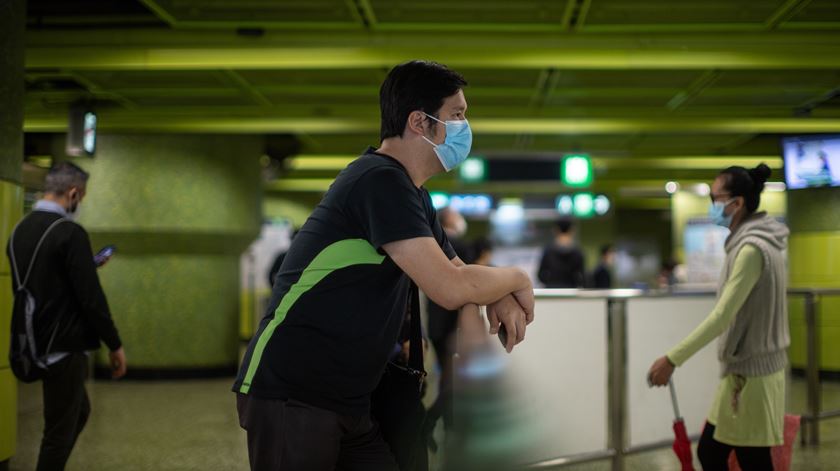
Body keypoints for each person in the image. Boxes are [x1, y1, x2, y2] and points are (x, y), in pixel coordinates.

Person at [233, 60, 535, 471]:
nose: (465, 127)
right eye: (457, 115)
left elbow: (461, 272)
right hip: (295, 389)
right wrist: (517, 278)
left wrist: (497, 291)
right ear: (419, 122)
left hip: (349, 397)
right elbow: (449, 286)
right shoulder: (379, 180)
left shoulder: (414, 194)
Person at [648, 163, 788, 471]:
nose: (712, 206)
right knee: (712, 453)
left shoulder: (752, 249)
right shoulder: (752, 243)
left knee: (749, 460)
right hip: (742, 373)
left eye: (715, 198)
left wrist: (672, 359)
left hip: (753, 376)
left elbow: (723, 315)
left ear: (737, 203)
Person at [7, 162, 127, 471]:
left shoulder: (20, 229)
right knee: (57, 433)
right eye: (82, 197)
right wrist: (114, 344)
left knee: (79, 411)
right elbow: (91, 299)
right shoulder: (69, 232)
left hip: (30, 337)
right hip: (63, 343)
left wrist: (83, 265)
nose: (80, 203)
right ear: (72, 193)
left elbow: (43, 278)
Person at [538, 218, 585, 288]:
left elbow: (540, 275)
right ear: (572, 230)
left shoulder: (548, 251)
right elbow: (582, 277)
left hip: (552, 292)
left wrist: (550, 281)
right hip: (571, 292)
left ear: (556, 230)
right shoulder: (578, 252)